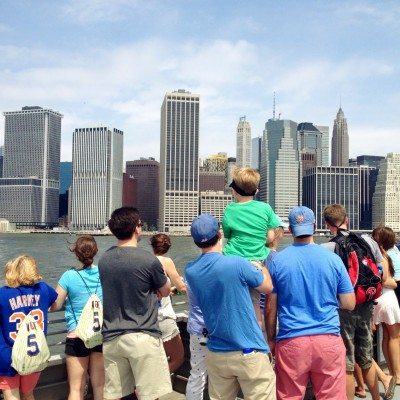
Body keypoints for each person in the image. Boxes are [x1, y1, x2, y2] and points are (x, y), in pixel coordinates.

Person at [266, 206, 355, 400]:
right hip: (328, 340)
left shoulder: (277, 261)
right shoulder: (333, 260)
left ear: (290, 229)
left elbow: (270, 307)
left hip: (291, 340)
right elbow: (349, 303)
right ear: (314, 226)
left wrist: (271, 339)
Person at [185, 213, 276, 400]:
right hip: (248, 350)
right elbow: (267, 287)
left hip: (217, 352)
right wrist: (260, 267)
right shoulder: (237, 263)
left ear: (195, 242)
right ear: (220, 234)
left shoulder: (190, 271)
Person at [98, 207, 172, 400]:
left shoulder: (104, 259)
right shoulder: (148, 259)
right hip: (143, 334)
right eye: (140, 224)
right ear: (136, 229)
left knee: (119, 395)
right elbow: (164, 290)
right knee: (150, 394)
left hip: (112, 336)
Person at [323, 204, 383, 400]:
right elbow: (379, 270)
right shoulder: (367, 241)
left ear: (326, 224)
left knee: (347, 362)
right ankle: (376, 397)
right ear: (346, 219)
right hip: (366, 305)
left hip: (344, 308)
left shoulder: (328, 248)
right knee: (366, 358)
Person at [222, 167, 281, 329]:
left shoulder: (229, 210)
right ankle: (257, 339)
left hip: (231, 261)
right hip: (255, 262)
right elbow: (270, 237)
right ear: (256, 190)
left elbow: (227, 234)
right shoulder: (265, 208)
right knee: (254, 303)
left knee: (232, 301)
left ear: (234, 191)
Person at [50, 235, 104, 400]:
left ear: (76, 253)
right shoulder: (103, 273)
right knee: (100, 386)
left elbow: (55, 305)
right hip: (99, 334)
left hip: (76, 336)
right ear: (95, 252)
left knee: (76, 389)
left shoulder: (69, 276)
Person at [0, 255, 57, 400]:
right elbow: (54, 303)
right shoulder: (43, 289)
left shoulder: (2, 294)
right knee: (28, 394)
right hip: (34, 353)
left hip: (8, 354)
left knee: (12, 396)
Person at [149, 233, 185, 373]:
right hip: (163, 316)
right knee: (178, 357)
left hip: (148, 318)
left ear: (152, 246)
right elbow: (182, 287)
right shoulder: (166, 261)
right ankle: (151, 387)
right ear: (168, 246)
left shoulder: (146, 260)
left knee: (154, 358)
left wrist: (170, 291)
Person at [371, 227, 400, 387]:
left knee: (386, 337)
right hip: (387, 297)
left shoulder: (372, 255)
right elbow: (385, 280)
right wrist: (395, 283)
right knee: (395, 337)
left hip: (377, 299)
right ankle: (398, 374)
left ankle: (391, 371)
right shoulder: (383, 256)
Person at [185, 282, 207, 400]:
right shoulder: (221, 274)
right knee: (223, 377)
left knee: (197, 375)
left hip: (197, 330)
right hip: (218, 332)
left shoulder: (191, 273)